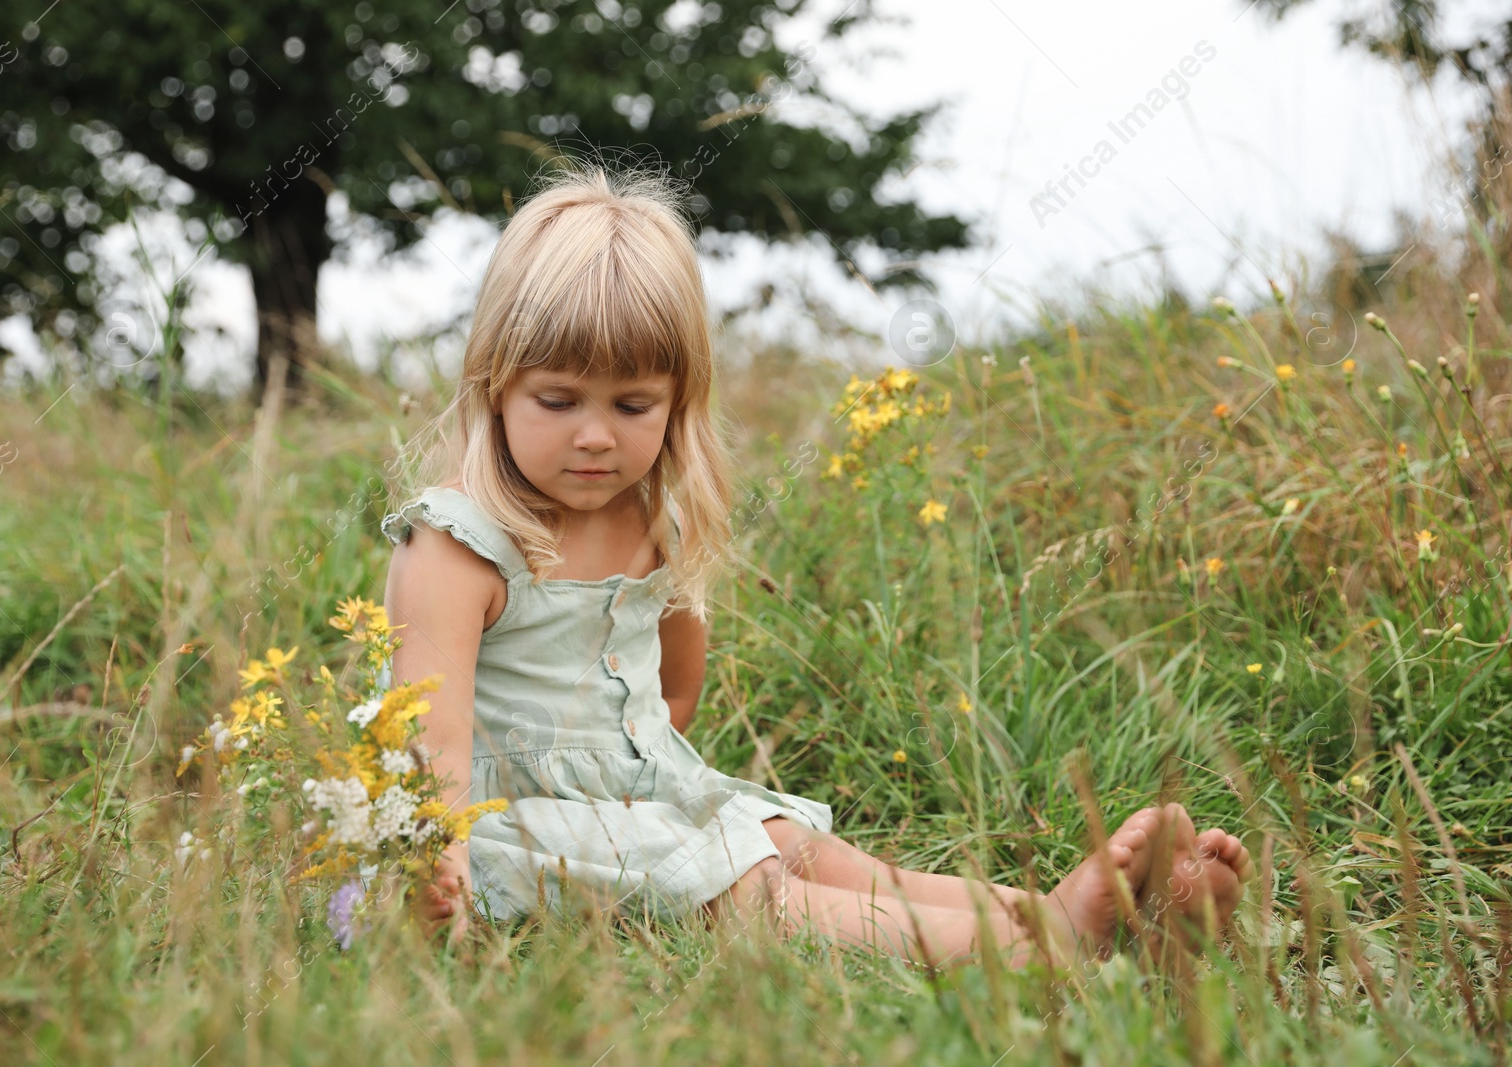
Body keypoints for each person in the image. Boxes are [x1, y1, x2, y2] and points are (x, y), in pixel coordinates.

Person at [380, 161, 1253, 968]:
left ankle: (1047, 909)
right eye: (558, 399)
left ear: (680, 401)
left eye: (633, 403)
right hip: (503, 829)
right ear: (495, 382)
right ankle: (1026, 953)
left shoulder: (655, 520)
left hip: (642, 799)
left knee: (801, 845)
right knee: (751, 891)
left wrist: (647, 790)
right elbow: (434, 739)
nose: (597, 434)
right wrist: (438, 872)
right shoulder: (459, 542)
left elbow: (674, 697)